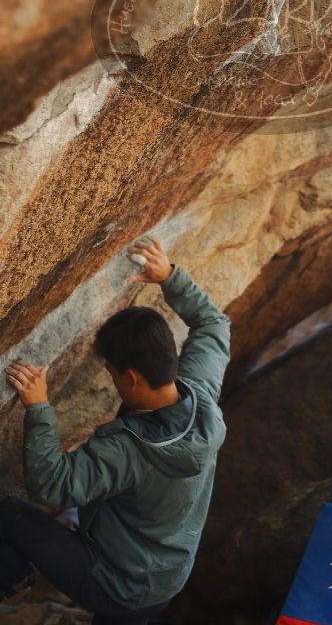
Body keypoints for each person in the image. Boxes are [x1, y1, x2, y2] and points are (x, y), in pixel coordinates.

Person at [1, 236, 232, 625]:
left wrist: (38, 408)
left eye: (111, 373)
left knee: (8, 512)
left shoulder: (128, 450)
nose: (111, 380)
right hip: (166, 579)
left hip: (116, 588)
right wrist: (170, 277)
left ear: (131, 377)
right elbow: (213, 323)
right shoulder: (200, 394)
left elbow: (50, 484)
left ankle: (13, 582)